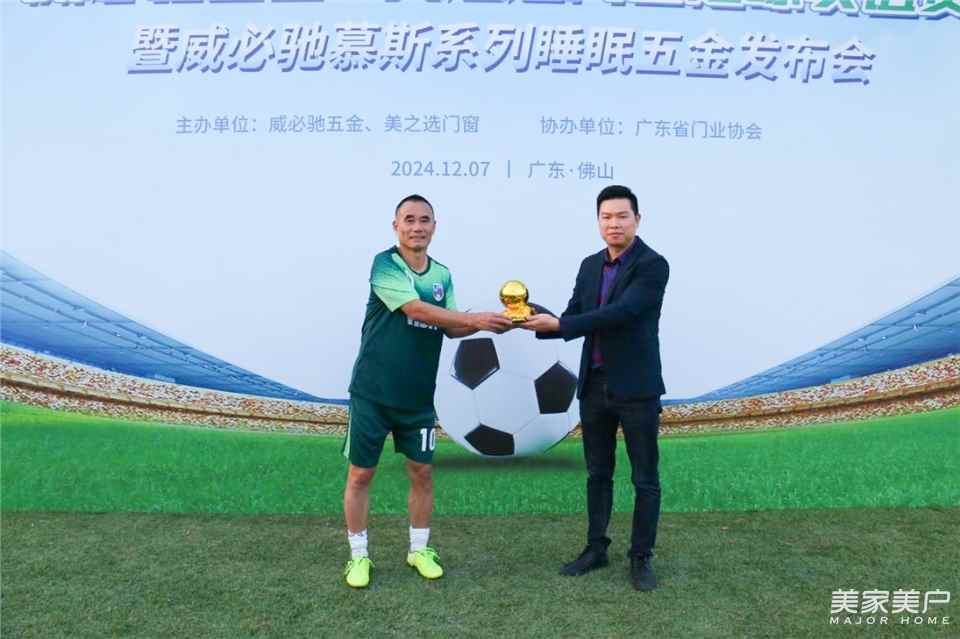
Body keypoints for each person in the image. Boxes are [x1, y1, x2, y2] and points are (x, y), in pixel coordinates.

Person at [342, 194, 514, 589]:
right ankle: (358, 556)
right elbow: (415, 309)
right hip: (372, 392)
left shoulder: (442, 275)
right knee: (361, 474)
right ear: (396, 226)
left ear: (434, 227)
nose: (417, 227)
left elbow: (450, 327)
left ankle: (419, 550)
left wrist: (493, 323)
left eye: (424, 220)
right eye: (409, 220)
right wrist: (474, 318)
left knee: (422, 473)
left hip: (417, 398)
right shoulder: (386, 264)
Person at [522, 185, 669, 591]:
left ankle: (640, 557)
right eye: (606, 217)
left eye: (622, 216)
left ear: (637, 220)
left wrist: (561, 324)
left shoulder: (653, 265)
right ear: (598, 222)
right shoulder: (589, 266)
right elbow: (574, 315)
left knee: (645, 478)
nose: (614, 224)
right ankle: (596, 548)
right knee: (597, 473)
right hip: (594, 384)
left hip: (636, 387)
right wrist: (530, 317)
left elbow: (622, 313)